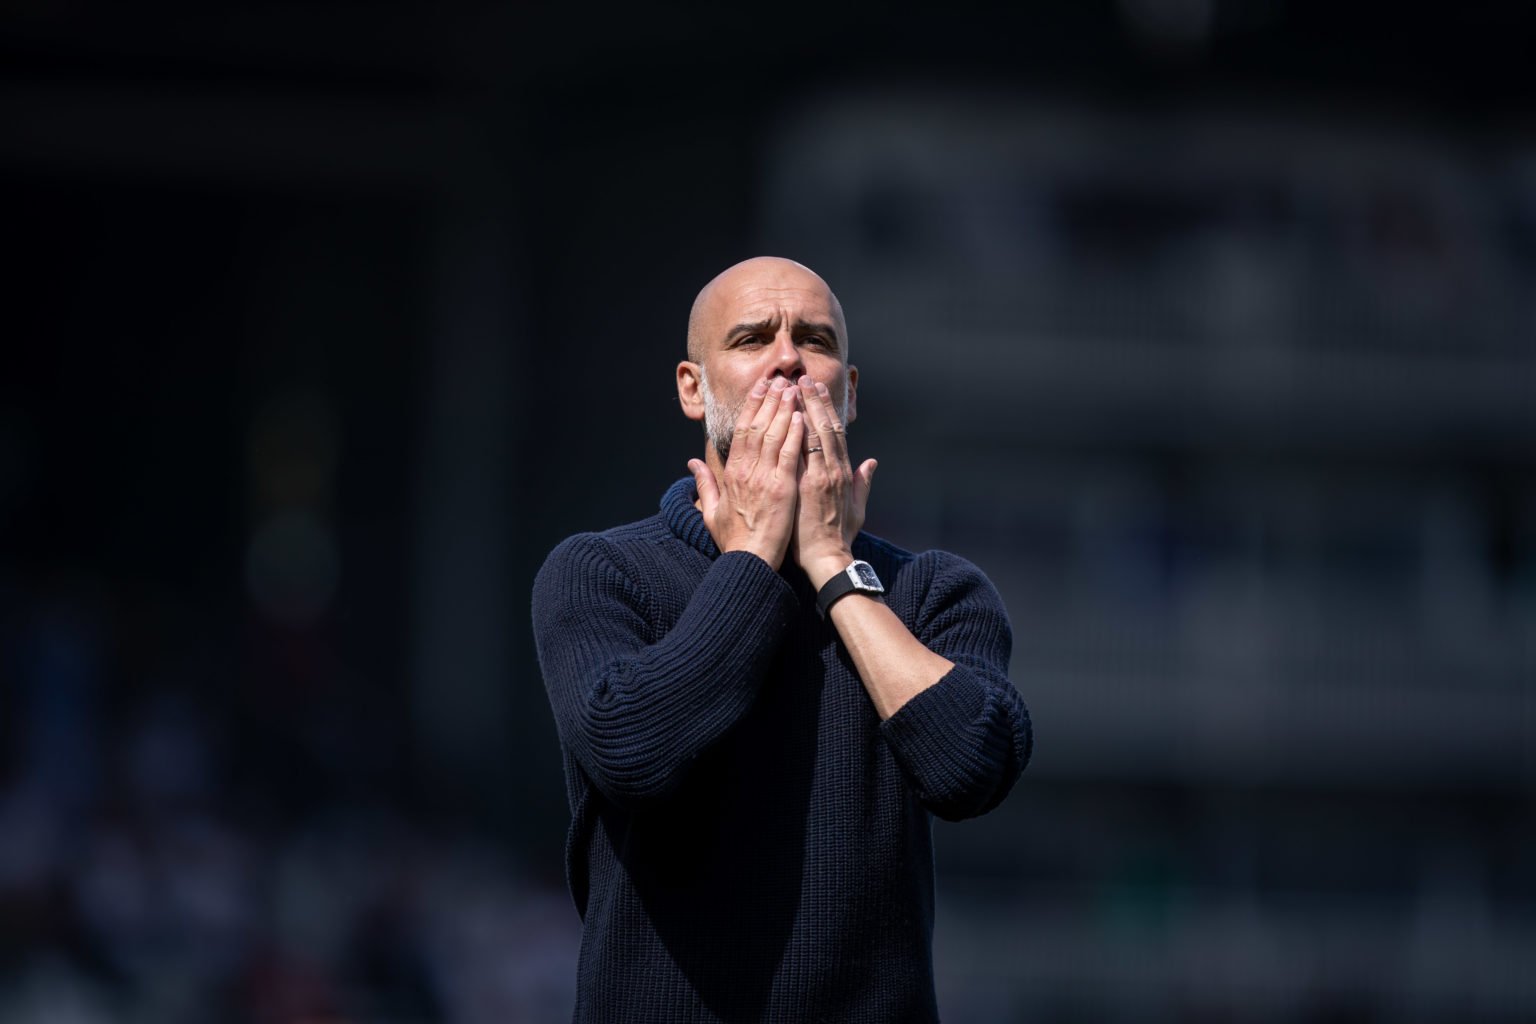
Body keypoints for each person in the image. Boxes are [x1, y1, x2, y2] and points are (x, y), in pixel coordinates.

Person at [531, 256, 1031, 1023]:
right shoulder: (601, 572)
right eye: (752, 337)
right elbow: (633, 750)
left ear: (849, 391)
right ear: (693, 388)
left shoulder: (933, 590)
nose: (789, 357)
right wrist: (753, 556)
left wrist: (833, 566)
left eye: (816, 340)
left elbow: (970, 767)